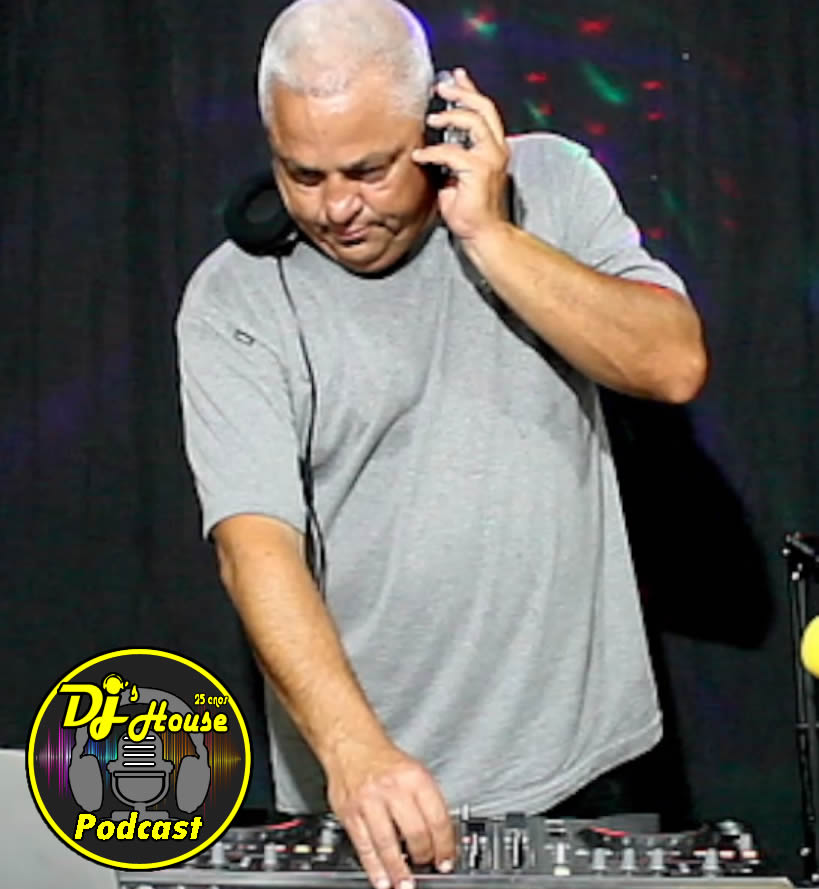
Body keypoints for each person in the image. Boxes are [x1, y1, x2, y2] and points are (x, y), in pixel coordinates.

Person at [175, 1, 708, 887]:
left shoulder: (551, 187)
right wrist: (353, 752)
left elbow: (672, 363)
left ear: (434, 129)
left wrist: (489, 234)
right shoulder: (234, 298)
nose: (337, 208)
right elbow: (252, 545)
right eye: (302, 174)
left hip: (585, 768)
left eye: (368, 170)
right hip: (362, 788)